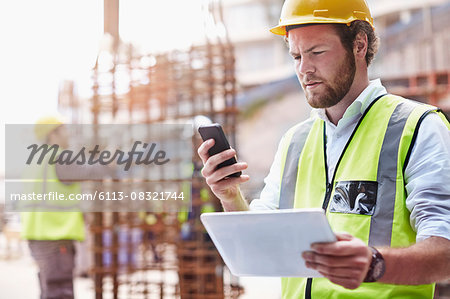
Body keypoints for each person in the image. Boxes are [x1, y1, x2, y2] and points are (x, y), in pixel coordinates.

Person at [197, 0, 450, 298]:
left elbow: (445, 251)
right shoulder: (294, 141)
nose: (304, 69)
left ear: (358, 44)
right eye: (296, 56)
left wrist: (376, 265)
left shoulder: (419, 127)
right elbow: (260, 243)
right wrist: (230, 196)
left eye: (316, 52)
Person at [21, 115, 114, 299]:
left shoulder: (34, 160)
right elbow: (90, 170)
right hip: (55, 236)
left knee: (49, 289)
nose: (68, 134)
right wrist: (111, 159)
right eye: (64, 130)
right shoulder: (58, 157)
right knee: (59, 291)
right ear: (53, 134)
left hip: (37, 236)